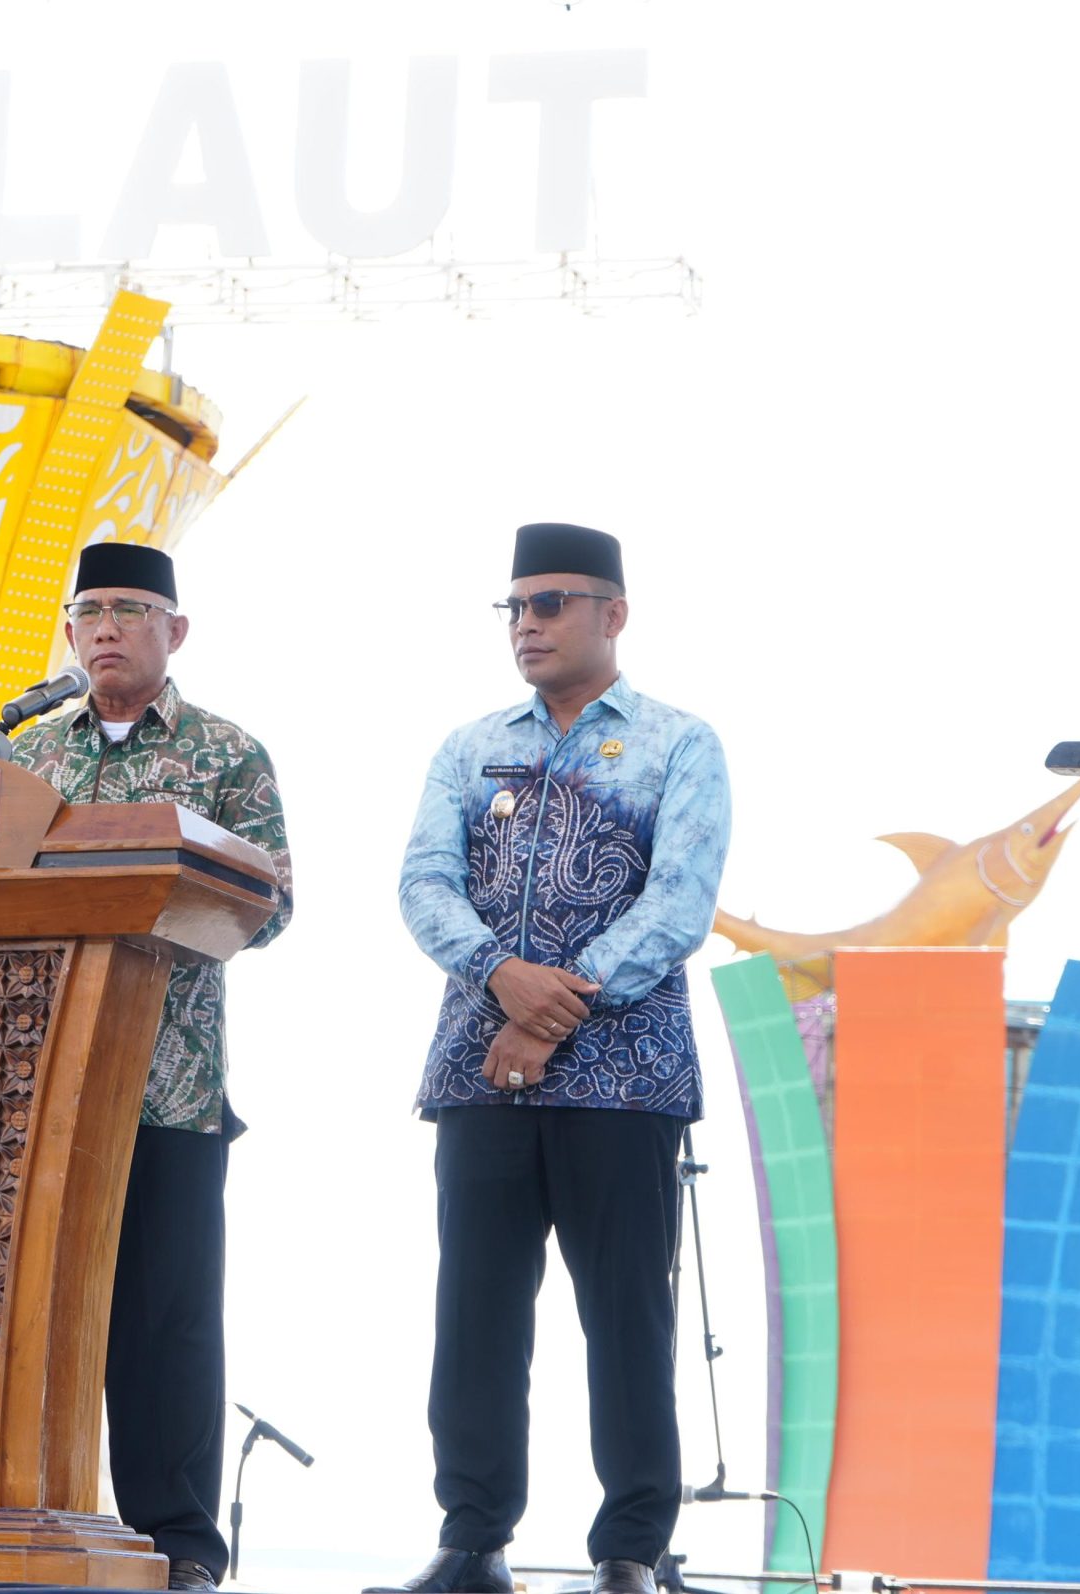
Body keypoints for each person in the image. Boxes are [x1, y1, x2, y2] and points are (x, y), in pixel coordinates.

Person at [375, 523, 731, 1594]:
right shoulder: (469, 745)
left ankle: (628, 1550)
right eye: (514, 607)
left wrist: (547, 1011)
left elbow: (679, 903)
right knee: (475, 1313)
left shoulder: (680, 743)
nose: (526, 624)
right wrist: (500, 976)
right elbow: (423, 883)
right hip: (479, 1071)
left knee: (626, 1317)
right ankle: (472, 1541)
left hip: (624, 1077)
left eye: (550, 603)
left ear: (613, 613)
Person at [5, 540, 293, 1591]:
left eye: (129, 609)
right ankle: (27, 1524)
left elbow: (270, 903)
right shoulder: (25, 758)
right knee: (32, 1313)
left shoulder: (226, 755)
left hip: (169, 1085)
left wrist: (148, 913)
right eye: (89, 612)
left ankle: (178, 1548)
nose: (106, 629)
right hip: (37, 1086)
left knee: (165, 1324)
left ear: (176, 630)